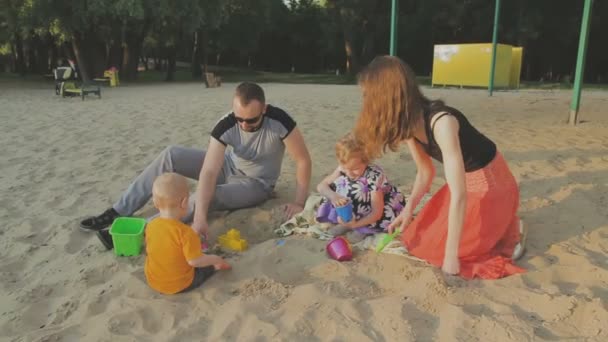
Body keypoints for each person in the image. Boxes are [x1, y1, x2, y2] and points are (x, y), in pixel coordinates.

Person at [80, 82, 312, 248]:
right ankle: (118, 211)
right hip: (227, 166)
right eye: (239, 118)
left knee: (211, 195)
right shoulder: (227, 124)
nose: (243, 125)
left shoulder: (280, 121)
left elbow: (302, 160)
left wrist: (299, 202)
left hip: (256, 183)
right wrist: (199, 218)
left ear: (264, 109)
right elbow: (209, 171)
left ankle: (141, 230)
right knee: (172, 154)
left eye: (251, 120)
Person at [354, 56, 525, 279]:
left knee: (440, 252)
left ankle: (512, 230)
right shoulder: (408, 126)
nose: (366, 103)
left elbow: (460, 194)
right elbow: (426, 172)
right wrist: (408, 210)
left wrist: (451, 256)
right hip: (465, 185)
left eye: (368, 96)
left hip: (491, 186)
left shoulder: (442, 123)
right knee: (416, 236)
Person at [144, 173, 230, 295]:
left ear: (155, 202)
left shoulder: (151, 226)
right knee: (204, 268)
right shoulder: (185, 232)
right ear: (184, 203)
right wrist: (216, 259)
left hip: (154, 280)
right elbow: (195, 261)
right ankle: (215, 267)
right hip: (179, 284)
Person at [316, 133, 405, 243]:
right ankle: (347, 223)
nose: (349, 173)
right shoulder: (344, 168)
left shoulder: (374, 177)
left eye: (355, 169)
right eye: (345, 168)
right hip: (352, 208)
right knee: (333, 189)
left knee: (360, 192)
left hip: (374, 209)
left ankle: (362, 228)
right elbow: (321, 186)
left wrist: (355, 225)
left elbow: (377, 212)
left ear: (366, 161)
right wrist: (334, 197)